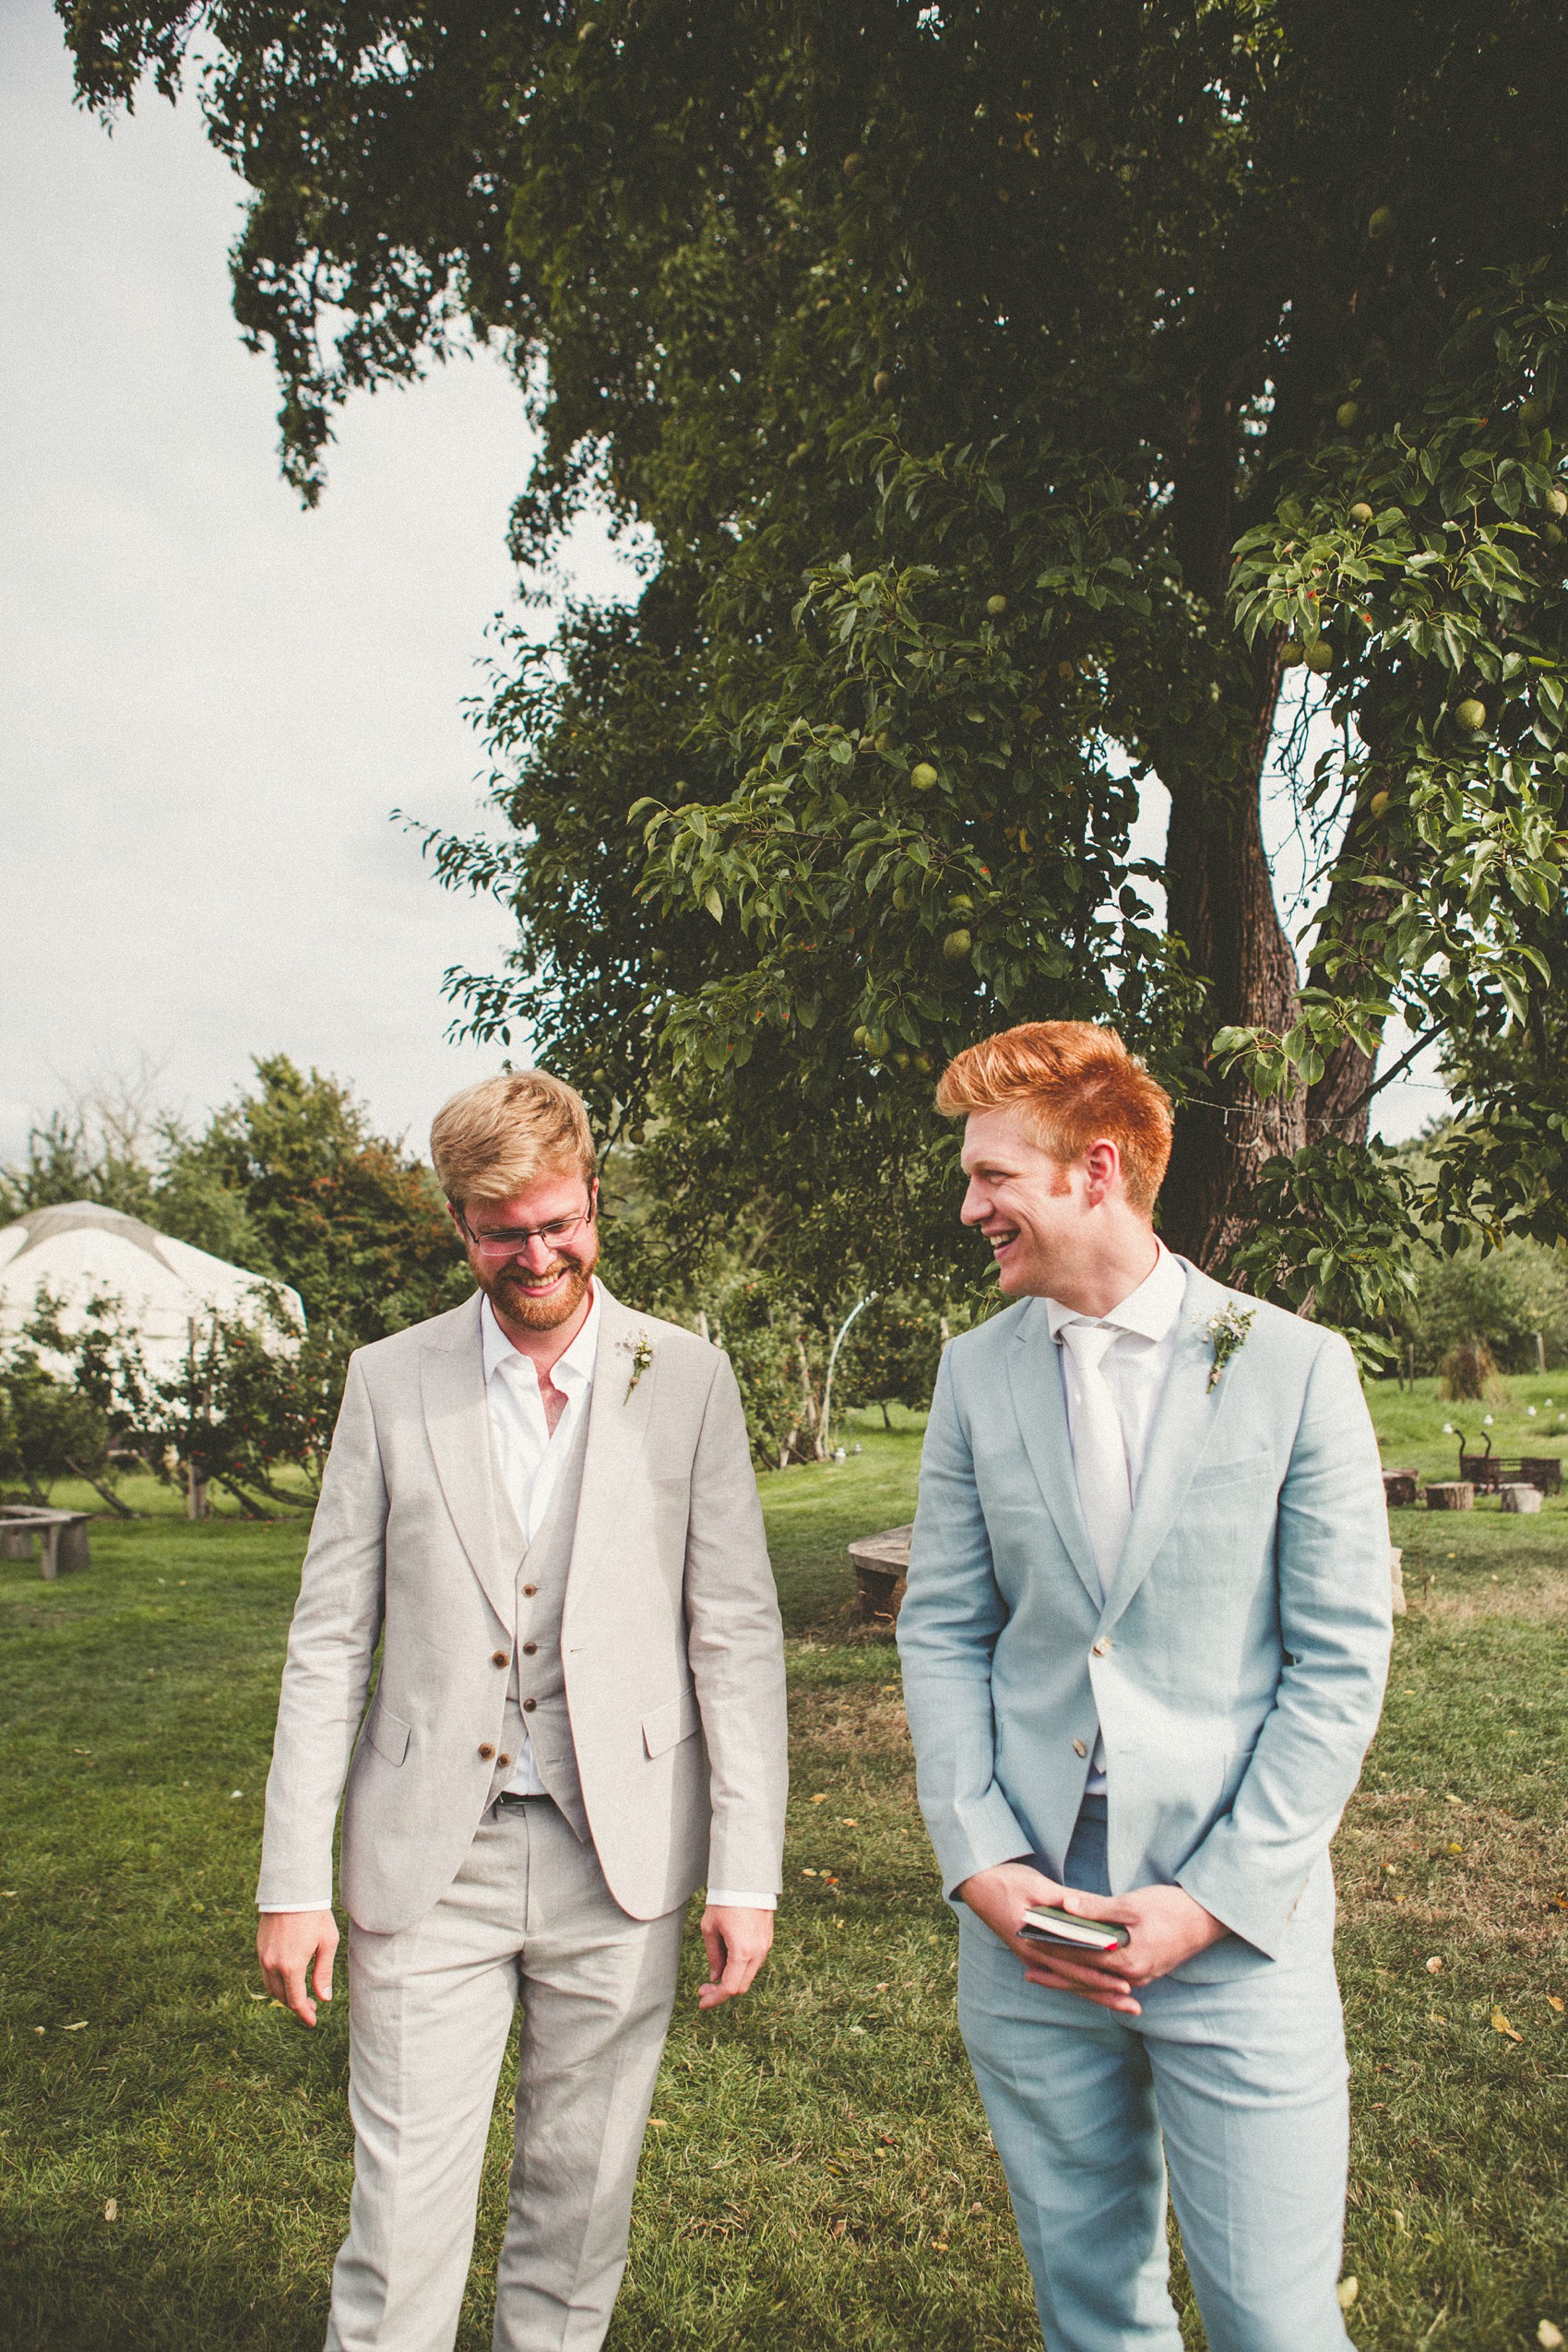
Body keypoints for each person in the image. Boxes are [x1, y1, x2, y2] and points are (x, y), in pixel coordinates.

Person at [255, 1069, 788, 2352]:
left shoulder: (689, 1376)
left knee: (578, 2206)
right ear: (458, 1225)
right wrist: (290, 1879)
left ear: (594, 1197)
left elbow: (737, 1634)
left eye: (559, 1221)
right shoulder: (389, 1382)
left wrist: (748, 1870)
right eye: (505, 1231)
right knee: (397, 2220)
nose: (538, 1254)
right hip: (427, 1860)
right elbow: (329, 1640)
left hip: (627, 1857)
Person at [897, 1021, 1392, 2352]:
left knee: (1275, 2320)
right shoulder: (972, 1374)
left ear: (1095, 1170)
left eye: (994, 1174)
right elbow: (942, 1629)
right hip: (1030, 1917)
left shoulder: (1294, 1368)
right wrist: (984, 1861)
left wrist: (1213, 1900)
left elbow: (1341, 1666)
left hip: (1241, 1918)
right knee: (1093, 2312)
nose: (970, 1206)